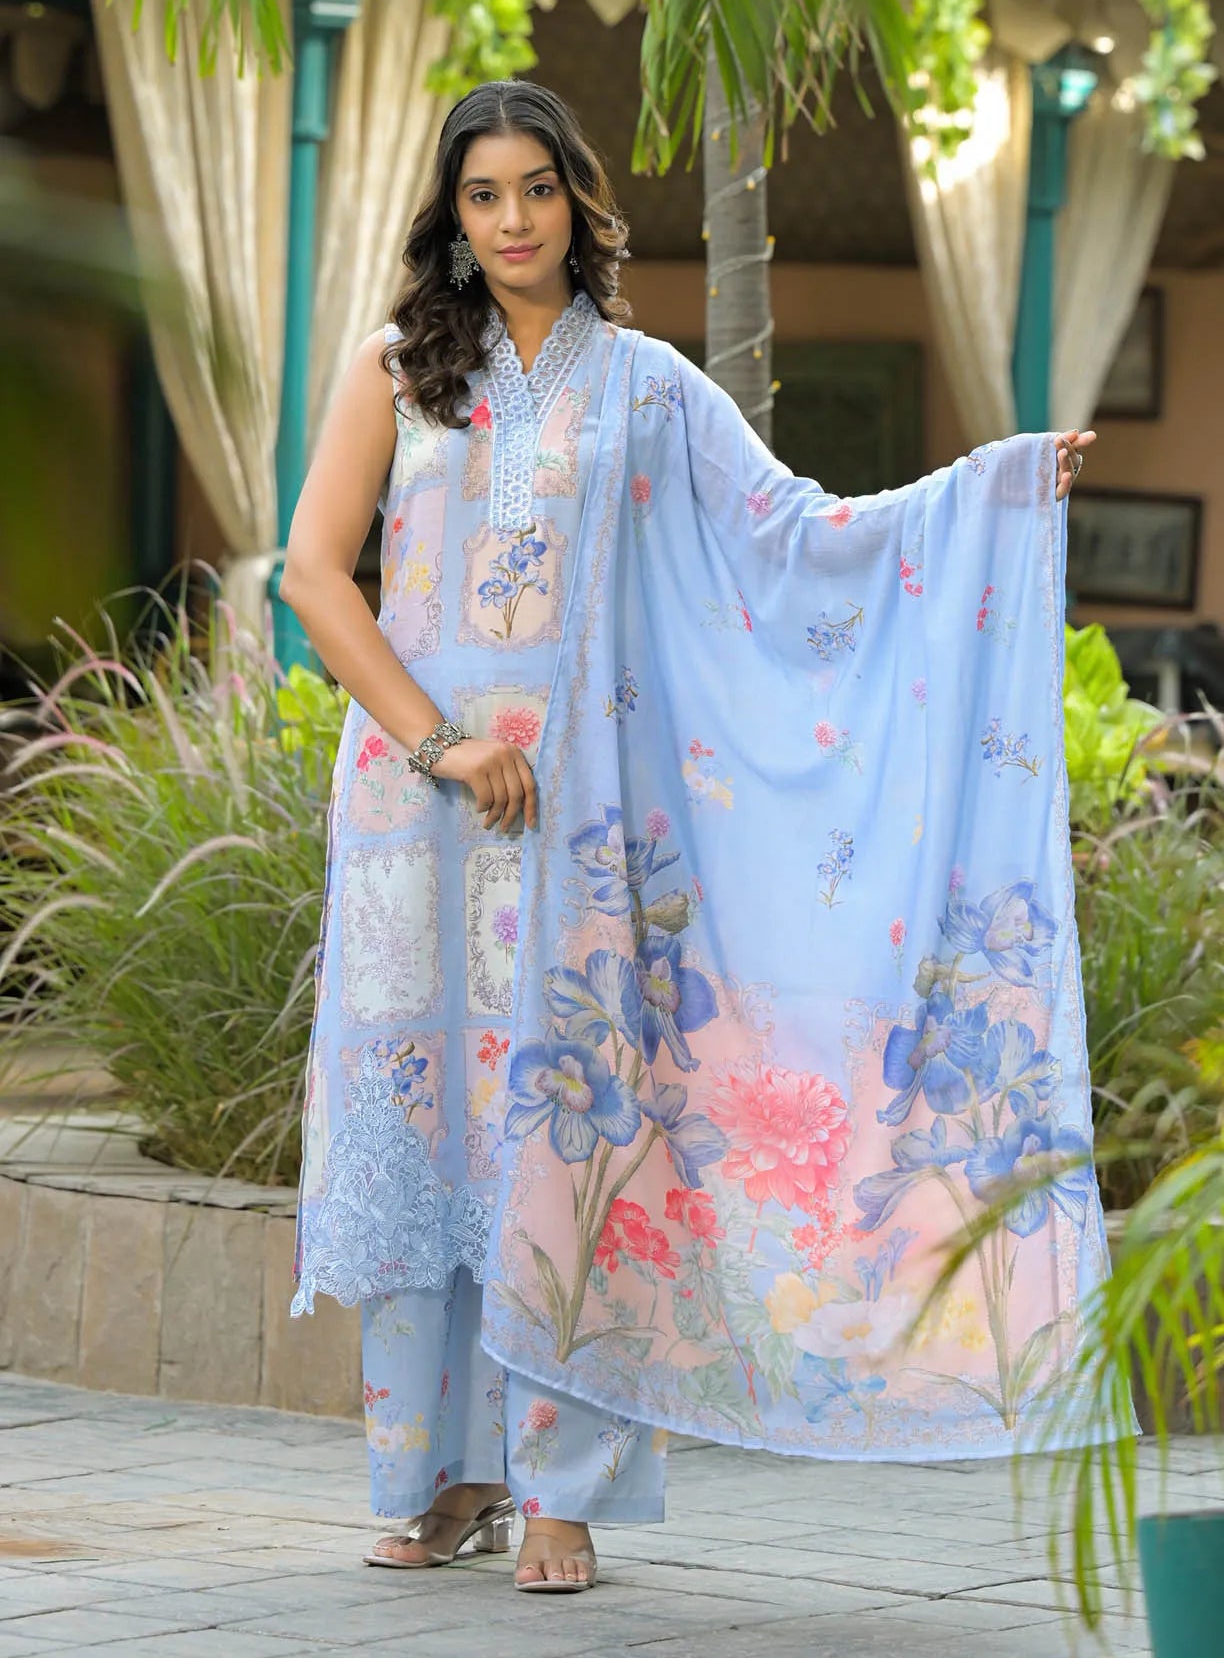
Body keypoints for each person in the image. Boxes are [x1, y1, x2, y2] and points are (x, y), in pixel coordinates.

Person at [281, 79, 1102, 1596]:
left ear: (581, 205)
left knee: (571, 1131)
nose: (512, 220)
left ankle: (558, 1493)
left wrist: (995, 489)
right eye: (483, 197)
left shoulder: (649, 386)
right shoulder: (397, 373)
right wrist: (440, 740)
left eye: (537, 190)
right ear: (451, 220)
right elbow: (316, 575)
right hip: (419, 808)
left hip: (588, 813)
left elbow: (801, 530)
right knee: (432, 1134)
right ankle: (434, 1475)